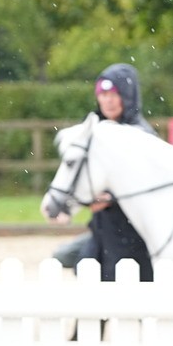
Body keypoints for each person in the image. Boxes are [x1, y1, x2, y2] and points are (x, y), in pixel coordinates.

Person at [52, 64, 156, 282]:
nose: (107, 101)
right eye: (103, 95)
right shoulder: (94, 133)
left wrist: (112, 199)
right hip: (102, 230)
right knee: (67, 259)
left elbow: (150, 187)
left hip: (133, 235)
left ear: (126, 97)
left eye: (113, 94)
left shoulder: (142, 136)